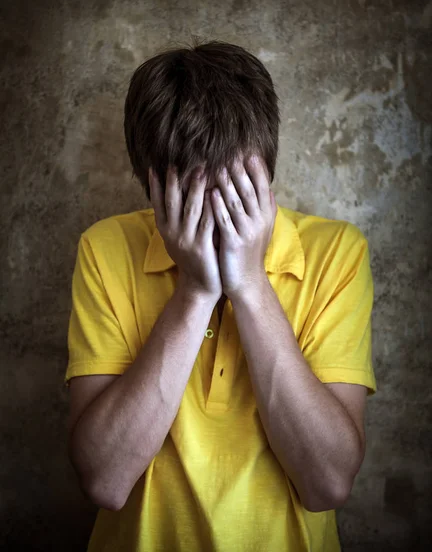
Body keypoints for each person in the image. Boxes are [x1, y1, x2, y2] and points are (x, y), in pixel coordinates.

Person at [64, 39, 377, 551]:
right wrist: (196, 292)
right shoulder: (105, 249)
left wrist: (250, 285)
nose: (219, 217)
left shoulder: (336, 253)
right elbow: (104, 480)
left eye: (236, 190)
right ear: (152, 184)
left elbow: (327, 485)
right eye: (191, 196)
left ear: (266, 170)